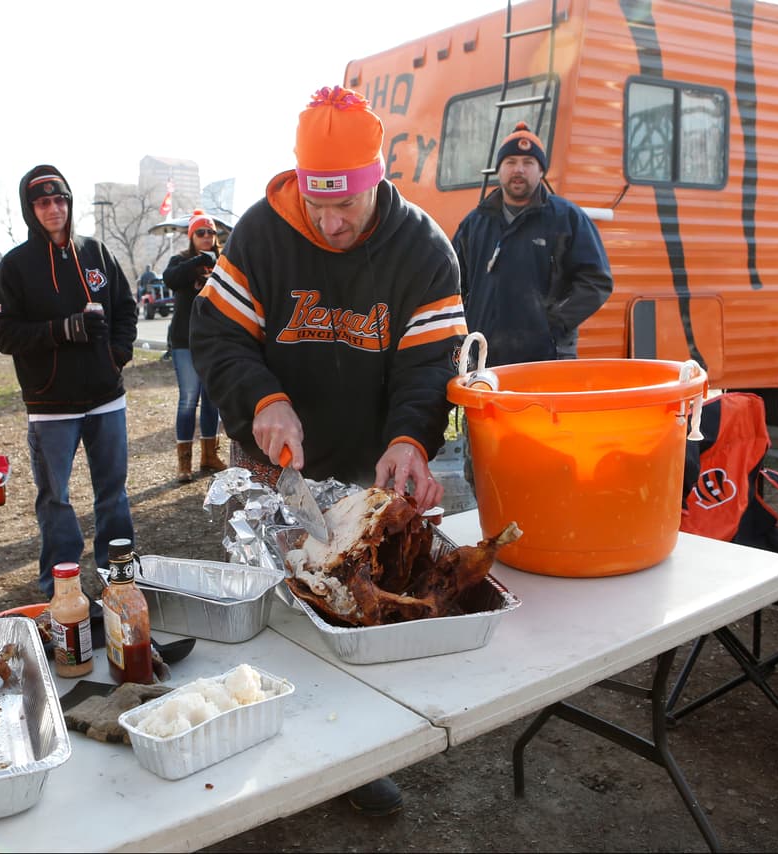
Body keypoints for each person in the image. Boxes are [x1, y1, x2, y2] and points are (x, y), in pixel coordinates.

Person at [190, 85, 467, 816]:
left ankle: (351, 759)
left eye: (347, 205)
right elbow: (215, 335)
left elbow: (430, 367)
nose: (332, 221)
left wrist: (411, 439)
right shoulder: (260, 234)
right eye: (320, 205)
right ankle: (260, 746)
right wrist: (260, 398)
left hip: (367, 465)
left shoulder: (422, 250)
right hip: (273, 459)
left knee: (351, 607)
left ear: (376, 180)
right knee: (270, 607)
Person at [0, 165, 138, 598]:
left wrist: (118, 353)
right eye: (42, 202)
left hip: (107, 398)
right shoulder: (14, 267)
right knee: (56, 499)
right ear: (30, 210)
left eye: (60, 200)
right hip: (51, 405)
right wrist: (63, 329)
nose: (53, 209)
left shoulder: (97, 253)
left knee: (113, 494)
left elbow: (126, 308)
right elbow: (3, 335)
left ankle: (120, 579)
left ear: (69, 204)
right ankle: (63, 586)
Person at [451, 121, 613, 366]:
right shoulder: (474, 224)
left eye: (528, 163)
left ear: (541, 171)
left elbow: (597, 281)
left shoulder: (566, 218)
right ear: (499, 169)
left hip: (547, 358)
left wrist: (553, 322)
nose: (519, 170)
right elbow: (452, 286)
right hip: (485, 360)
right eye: (511, 162)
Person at [162, 210, 226, 483]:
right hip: (184, 340)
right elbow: (170, 279)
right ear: (192, 236)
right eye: (201, 232)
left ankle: (209, 456)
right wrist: (200, 260)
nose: (207, 237)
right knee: (189, 399)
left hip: (215, 340)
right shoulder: (182, 261)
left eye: (211, 232)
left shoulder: (224, 261)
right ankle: (184, 464)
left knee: (213, 400)